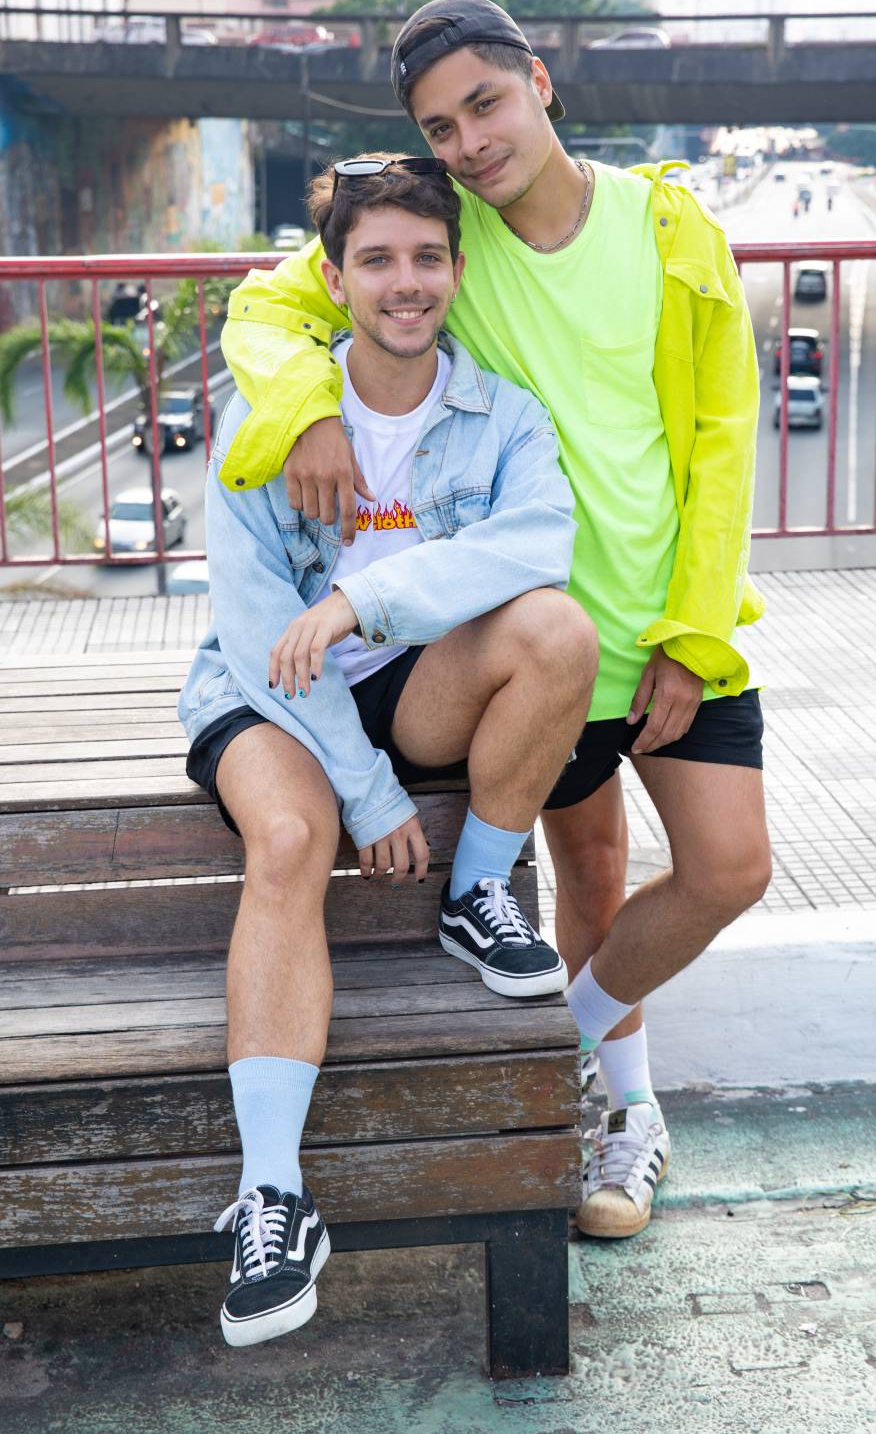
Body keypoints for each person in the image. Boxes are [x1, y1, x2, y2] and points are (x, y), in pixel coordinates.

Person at [216, 0, 772, 1243]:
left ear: (539, 83)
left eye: (485, 103)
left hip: (670, 626)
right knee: (586, 871)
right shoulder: (444, 237)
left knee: (732, 866)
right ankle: (623, 1113)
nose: (468, 141)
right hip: (541, 638)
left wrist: (692, 631)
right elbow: (266, 310)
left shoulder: (668, 225)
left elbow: (725, 441)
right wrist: (308, 405)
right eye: (438, 125)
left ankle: (559, 1047)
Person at [178, 154, 598, 1345]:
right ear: (335, 275)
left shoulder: (501, 416)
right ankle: (272, 1195)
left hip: (404, 678)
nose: (404, 283)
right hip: (266, 695)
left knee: (560, 632)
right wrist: (366, 796)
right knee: (293, 835)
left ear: (456, 272)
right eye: (377, 260)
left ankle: (477, 895)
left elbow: (535, 547)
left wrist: (369, 603)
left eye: (425, 259)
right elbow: (262, 634)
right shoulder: (266, 418)